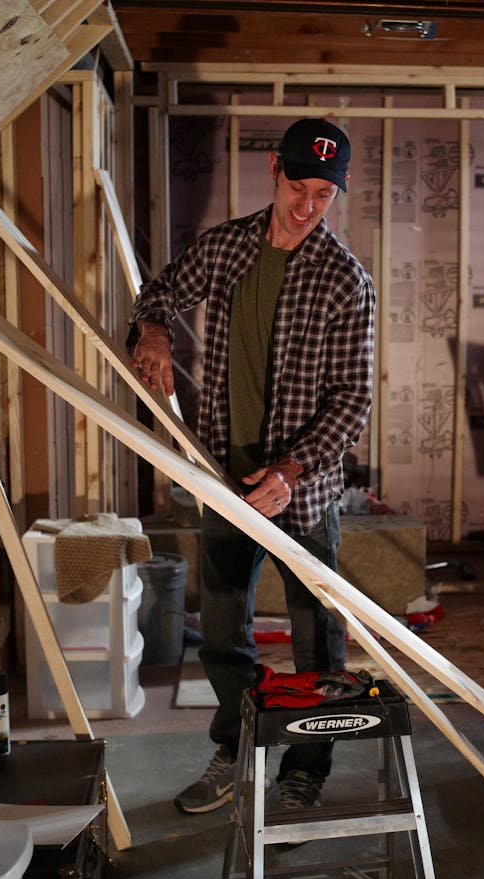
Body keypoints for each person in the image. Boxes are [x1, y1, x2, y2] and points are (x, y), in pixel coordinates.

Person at [129, 117, 376, 815]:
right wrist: (153, 329)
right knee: (226, 629)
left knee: (315, 639)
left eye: (324, 195)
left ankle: (305, 769)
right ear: (274, 169)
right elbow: (161, 289)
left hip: (299, 491)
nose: (307, 206)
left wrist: (293, 470)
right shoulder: (228, 248)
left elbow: (352, 400)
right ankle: (236, 747)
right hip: (224, 478)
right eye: (298, 187)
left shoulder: (345, 282)